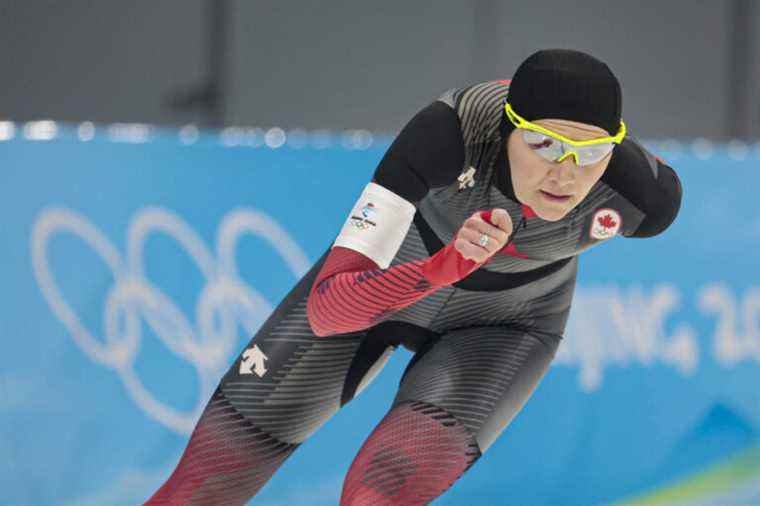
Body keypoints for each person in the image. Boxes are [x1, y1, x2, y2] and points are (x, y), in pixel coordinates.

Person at [146, 48, 682, 505]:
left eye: (589, 155)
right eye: (544, 146)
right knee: (199, 488)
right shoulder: (448, 135)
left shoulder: (642, 196)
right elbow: (329, 309)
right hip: (384, 288)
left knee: (376, 495)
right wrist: (443, 267)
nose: (565, 175)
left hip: (506, 326)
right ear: (508, 129)